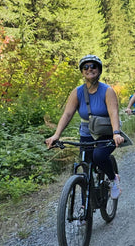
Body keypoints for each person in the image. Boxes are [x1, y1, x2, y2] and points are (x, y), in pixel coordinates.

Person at [45, 55, 124, 198]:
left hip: (107, 132)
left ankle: (113, 179)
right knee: (85, 169)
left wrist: (116, 133)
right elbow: (67, 114)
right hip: (86, 133)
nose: (89, 69)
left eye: (93, 66)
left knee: (98, 156)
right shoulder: (77, 92)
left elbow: (113, 113)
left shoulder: (107, 91)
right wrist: (56, 135)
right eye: (85, 67)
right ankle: (84, 209)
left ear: (99, 70)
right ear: (82, 72)